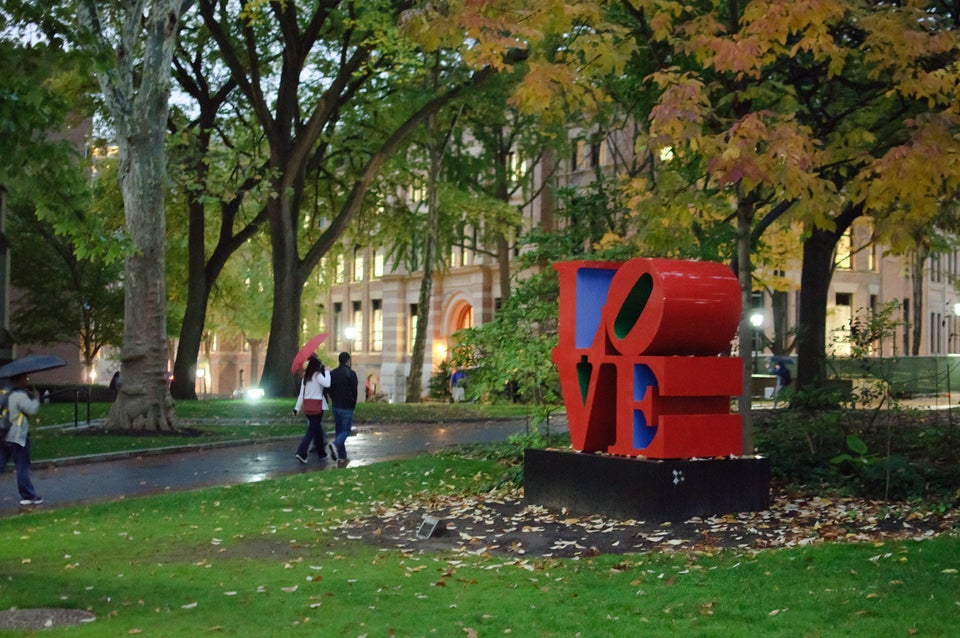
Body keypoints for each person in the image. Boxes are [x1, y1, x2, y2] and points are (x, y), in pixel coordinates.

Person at [0, 373, 43, 505]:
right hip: (18, 436)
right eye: (25, 378)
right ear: (19, 380)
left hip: (3, 435)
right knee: (22, 466)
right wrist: (36, 398)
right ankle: (28, 495)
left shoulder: (3, 393)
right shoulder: (19, 395)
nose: (27, 380)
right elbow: (32, 409)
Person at [293, 355, 331, 464]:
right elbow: (327, 384)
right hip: (317, 407)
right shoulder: (318, 376)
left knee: (317, 430)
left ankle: (321, 453)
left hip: (308, 407)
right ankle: (301, 452)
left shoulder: (305, 378)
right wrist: (327, 372)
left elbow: (301, 395)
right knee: (312, 431)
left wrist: (296, 408)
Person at [326, 351, 358, 468]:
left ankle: (342, 456)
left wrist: (334, 398)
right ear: (348, 361)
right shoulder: (351, 373)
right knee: (346, 431)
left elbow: (328, 388)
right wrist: (352, 403)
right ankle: (335, 445)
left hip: (336, 405)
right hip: (347, 406)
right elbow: (354, 390)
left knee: (339, 431)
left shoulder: (333, 373)